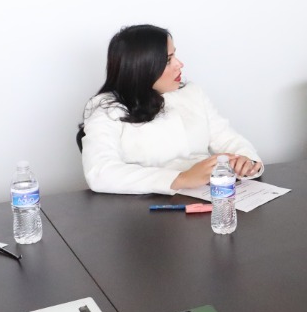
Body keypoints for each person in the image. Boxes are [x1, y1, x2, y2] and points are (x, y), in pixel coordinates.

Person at [81, 25, 262, 195]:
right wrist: (182, 179)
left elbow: (227, 139)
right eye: (168, 60)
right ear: (142, 67)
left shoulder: (192, 93)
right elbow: (100, 172)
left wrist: (247, 162)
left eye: (175, 55)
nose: (180, 64)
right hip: (148, 208)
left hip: (207, 196)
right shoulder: (106, 109)